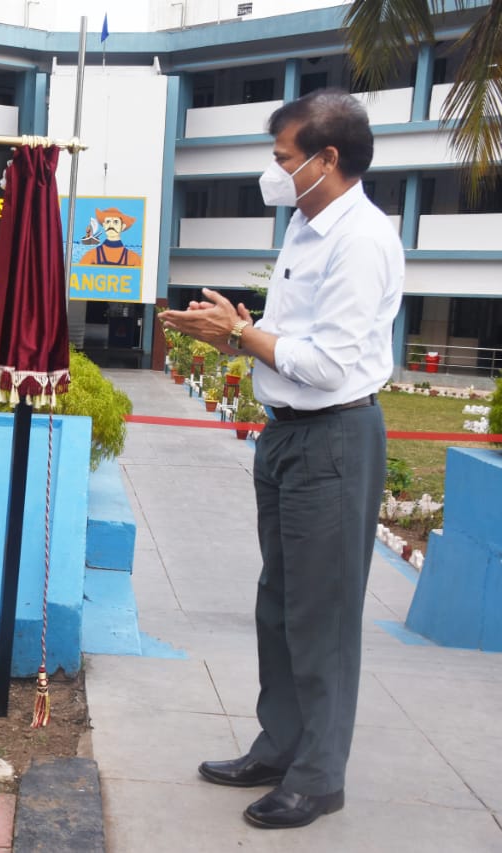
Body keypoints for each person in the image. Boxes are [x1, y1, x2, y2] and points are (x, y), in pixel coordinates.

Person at [158, 89, 404, 829]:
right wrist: (235, 331)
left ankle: (319, 774)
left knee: (322, 614)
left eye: (284, 158)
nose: (276, 171)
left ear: (328, 160)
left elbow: (328, 364)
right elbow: (291, 335)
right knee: (280, 606)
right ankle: (282, 744)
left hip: (334, 435)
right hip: (289, 433)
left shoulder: (361, 240)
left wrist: (238, 335)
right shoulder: (308, 222)